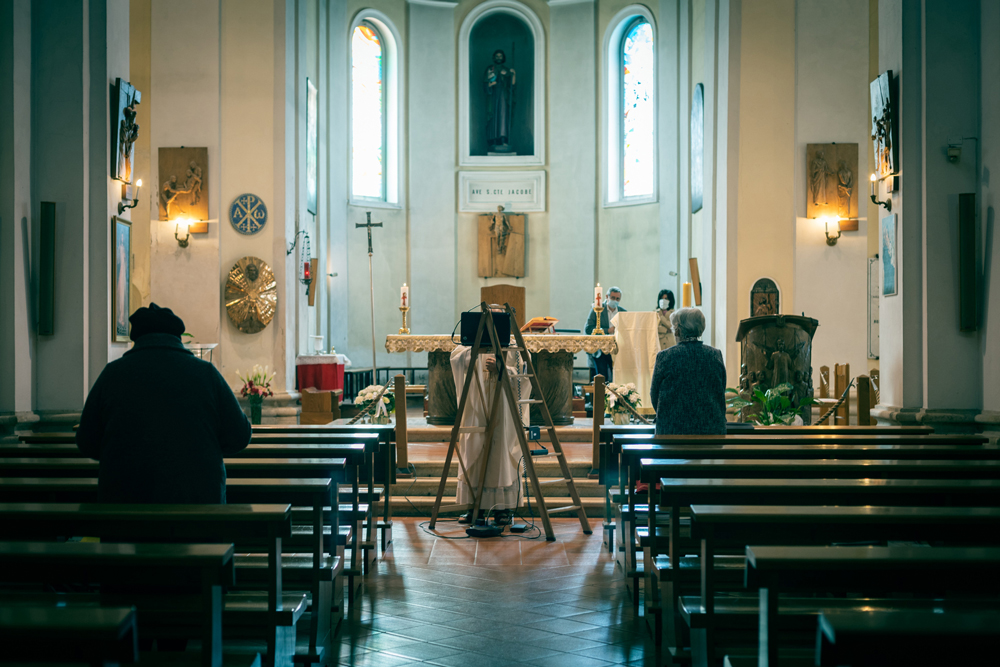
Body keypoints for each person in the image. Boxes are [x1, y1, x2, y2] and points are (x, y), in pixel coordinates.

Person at [77, 303, 251, 503]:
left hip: (125, 513)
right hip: (198, 511)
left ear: (136, 337)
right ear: (177, 336)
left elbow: (86, 442)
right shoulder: (206, 374)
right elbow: (240, 436)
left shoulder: (112, 375)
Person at [450, 343, 530, 523]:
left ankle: (503, 509)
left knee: (500, 453)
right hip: (476, 404)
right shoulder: (472, 344)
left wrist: (503, 369)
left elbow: (525, 376)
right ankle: (473, 507)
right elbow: (456, 359)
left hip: (504, 408)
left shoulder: (515, 348)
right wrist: (476, 351)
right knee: (473, 451)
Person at [649, 308, 727, 436]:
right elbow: (720, 389)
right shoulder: (715, 355)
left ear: (678, 330)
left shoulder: (665, 356)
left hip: (672, 431)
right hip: (711, 430)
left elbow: (654, 395)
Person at [585, 286, 626, 381]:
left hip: (617, 350)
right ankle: (601, 395)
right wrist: (608, 330)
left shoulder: (623, 312)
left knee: (617, 378)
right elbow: (588, 328)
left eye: (617, 299)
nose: (615, 300)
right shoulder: (597, 309)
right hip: (600, 350)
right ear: (607, 297)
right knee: (602, 378)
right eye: (612, 298)